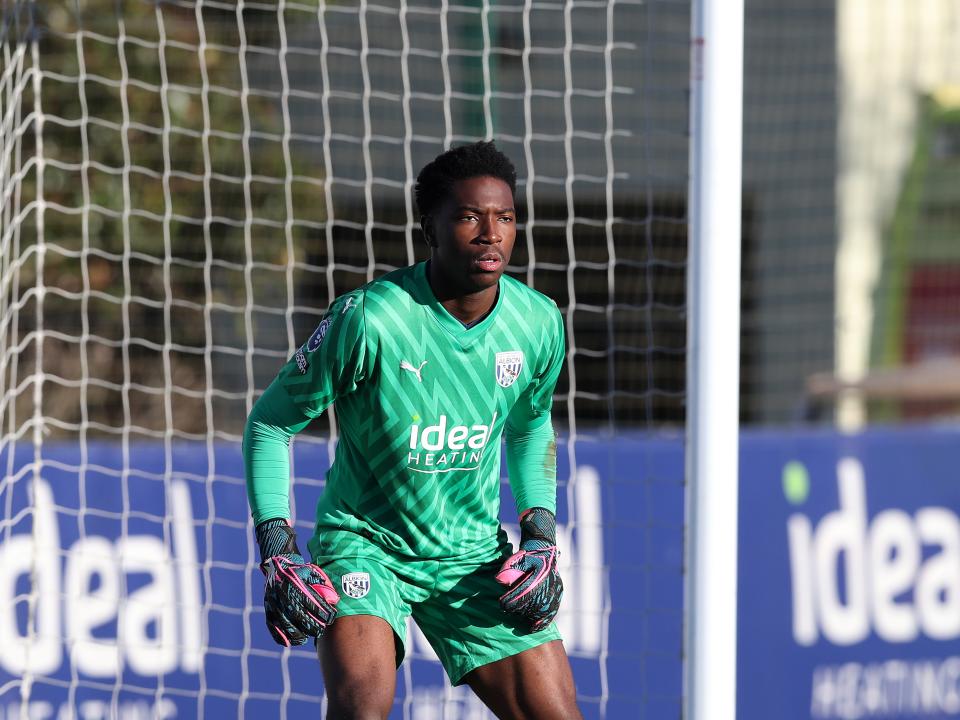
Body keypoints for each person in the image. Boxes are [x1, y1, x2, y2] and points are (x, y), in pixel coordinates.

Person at [243, 140, 582, 719]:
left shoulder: (538, 322)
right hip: (365, 547)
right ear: (431, 226)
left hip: (469, 554)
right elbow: (269, 425)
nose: (490, 233)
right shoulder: (371, 319)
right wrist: (277, 548)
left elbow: (529, 429)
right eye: (469, 216)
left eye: (504, 218)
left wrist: (541, 533)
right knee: (363, 709)